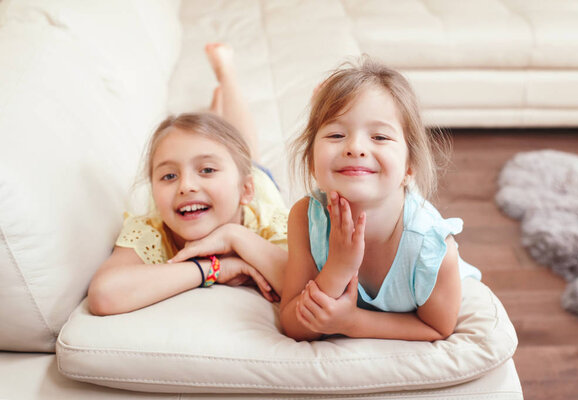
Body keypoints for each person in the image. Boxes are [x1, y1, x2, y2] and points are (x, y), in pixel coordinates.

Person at [280, 57, 481, 341]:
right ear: (312, 163)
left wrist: (351, 322)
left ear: (410, 166)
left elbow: (437, 327)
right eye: (336, 134)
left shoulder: (431, 248)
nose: (355, 147)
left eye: (380, 137)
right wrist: (338, 268)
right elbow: (293, 324)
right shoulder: (305, 218)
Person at [88, 44, 287, 316]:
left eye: (206, 170)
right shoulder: (151, 231)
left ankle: (226, 73)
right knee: (219, 147)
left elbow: (302, 285)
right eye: (169, 175)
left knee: (247, 153)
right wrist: (212, 269)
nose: (186, 186)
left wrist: (236, 236)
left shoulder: (266, 221)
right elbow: (104, 296)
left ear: (245, 190)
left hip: (260, 186)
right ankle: (213, 115)